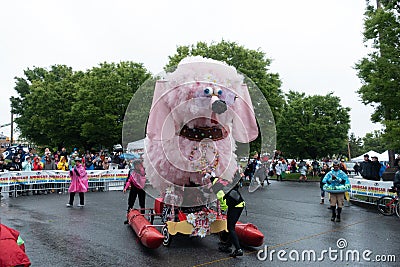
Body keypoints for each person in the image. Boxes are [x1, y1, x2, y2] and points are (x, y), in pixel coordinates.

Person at [216, 176, 245, 258]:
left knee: (230, 227)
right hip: (238, 204)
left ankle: (238, 249)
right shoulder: (224, 181)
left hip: (236, 206)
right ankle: (228, 246)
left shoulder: (217, 187)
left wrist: (222, 211)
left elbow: (223, 202)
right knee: (230, 226)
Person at [123, 159, 146, 224]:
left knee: (142, 203)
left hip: (141, 188)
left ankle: (143, 217)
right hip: (134, 187)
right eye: (136, 165)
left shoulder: (143, 170)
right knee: (131, 202)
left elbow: (145, 176)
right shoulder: (132, 172)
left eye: (138, 165)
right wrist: (125, 188)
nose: (137, 166)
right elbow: (129, 180)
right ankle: (128, 217)